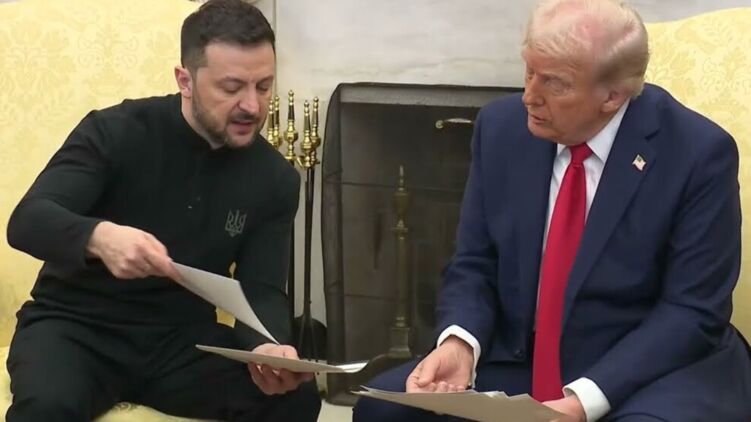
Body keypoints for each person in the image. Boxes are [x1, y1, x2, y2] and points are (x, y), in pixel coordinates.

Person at [353, 0, 751, 421]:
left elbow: (691, 311)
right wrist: (460, 343)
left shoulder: (698, 154)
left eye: (555, 83)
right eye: (529, 71)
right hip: (523, 357)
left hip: (648, 369)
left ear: (612, 96)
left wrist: (582, 402)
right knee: (383, 409)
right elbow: (474, 262)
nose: (529, 96)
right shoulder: (501, 128)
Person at [4, 0, 321, 421]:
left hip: (181, 341)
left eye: (263, 87)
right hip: (76, 328)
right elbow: (27, 221)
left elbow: (261, 289)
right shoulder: (116, 130)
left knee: (296, 397)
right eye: (232, 88)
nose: (251, 105)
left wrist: (266, 347)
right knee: (48, 408)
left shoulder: (274, 178)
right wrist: (99, 237)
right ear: (185, 80)